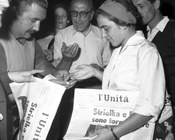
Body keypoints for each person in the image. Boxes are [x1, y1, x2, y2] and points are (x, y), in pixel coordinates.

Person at [71, 0, 165, 140]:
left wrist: (113, 133)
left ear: (124, 24)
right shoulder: (118, 50)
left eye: (106, 28)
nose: (103, 35)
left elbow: (149, 107)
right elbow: (126, 83)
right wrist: (95, 72)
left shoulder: (146, 52)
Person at [0, 0, 79, 138]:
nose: (37, 27)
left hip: (26, 120)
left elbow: (40, 62)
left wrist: (56, 75)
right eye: (33, 20)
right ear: (13, 15)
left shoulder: (30, 39)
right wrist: (44, 87)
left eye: (40, 21)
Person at [131, 0, 175, 138]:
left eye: (141, 6)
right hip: (153, 110)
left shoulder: (172, 31)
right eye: (134, 7)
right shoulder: (143, 36)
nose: (137, 12)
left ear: (156, 4)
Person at [53, 0, 111, 76]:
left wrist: (97, 69)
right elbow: (57, 73)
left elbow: (108, 67)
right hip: (70, 85)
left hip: (96, 84)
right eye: (74, 13)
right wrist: (66, 59)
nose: (78, 19)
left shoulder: (103, 34)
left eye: (83, 13)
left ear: (91, 15)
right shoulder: (61, 36)